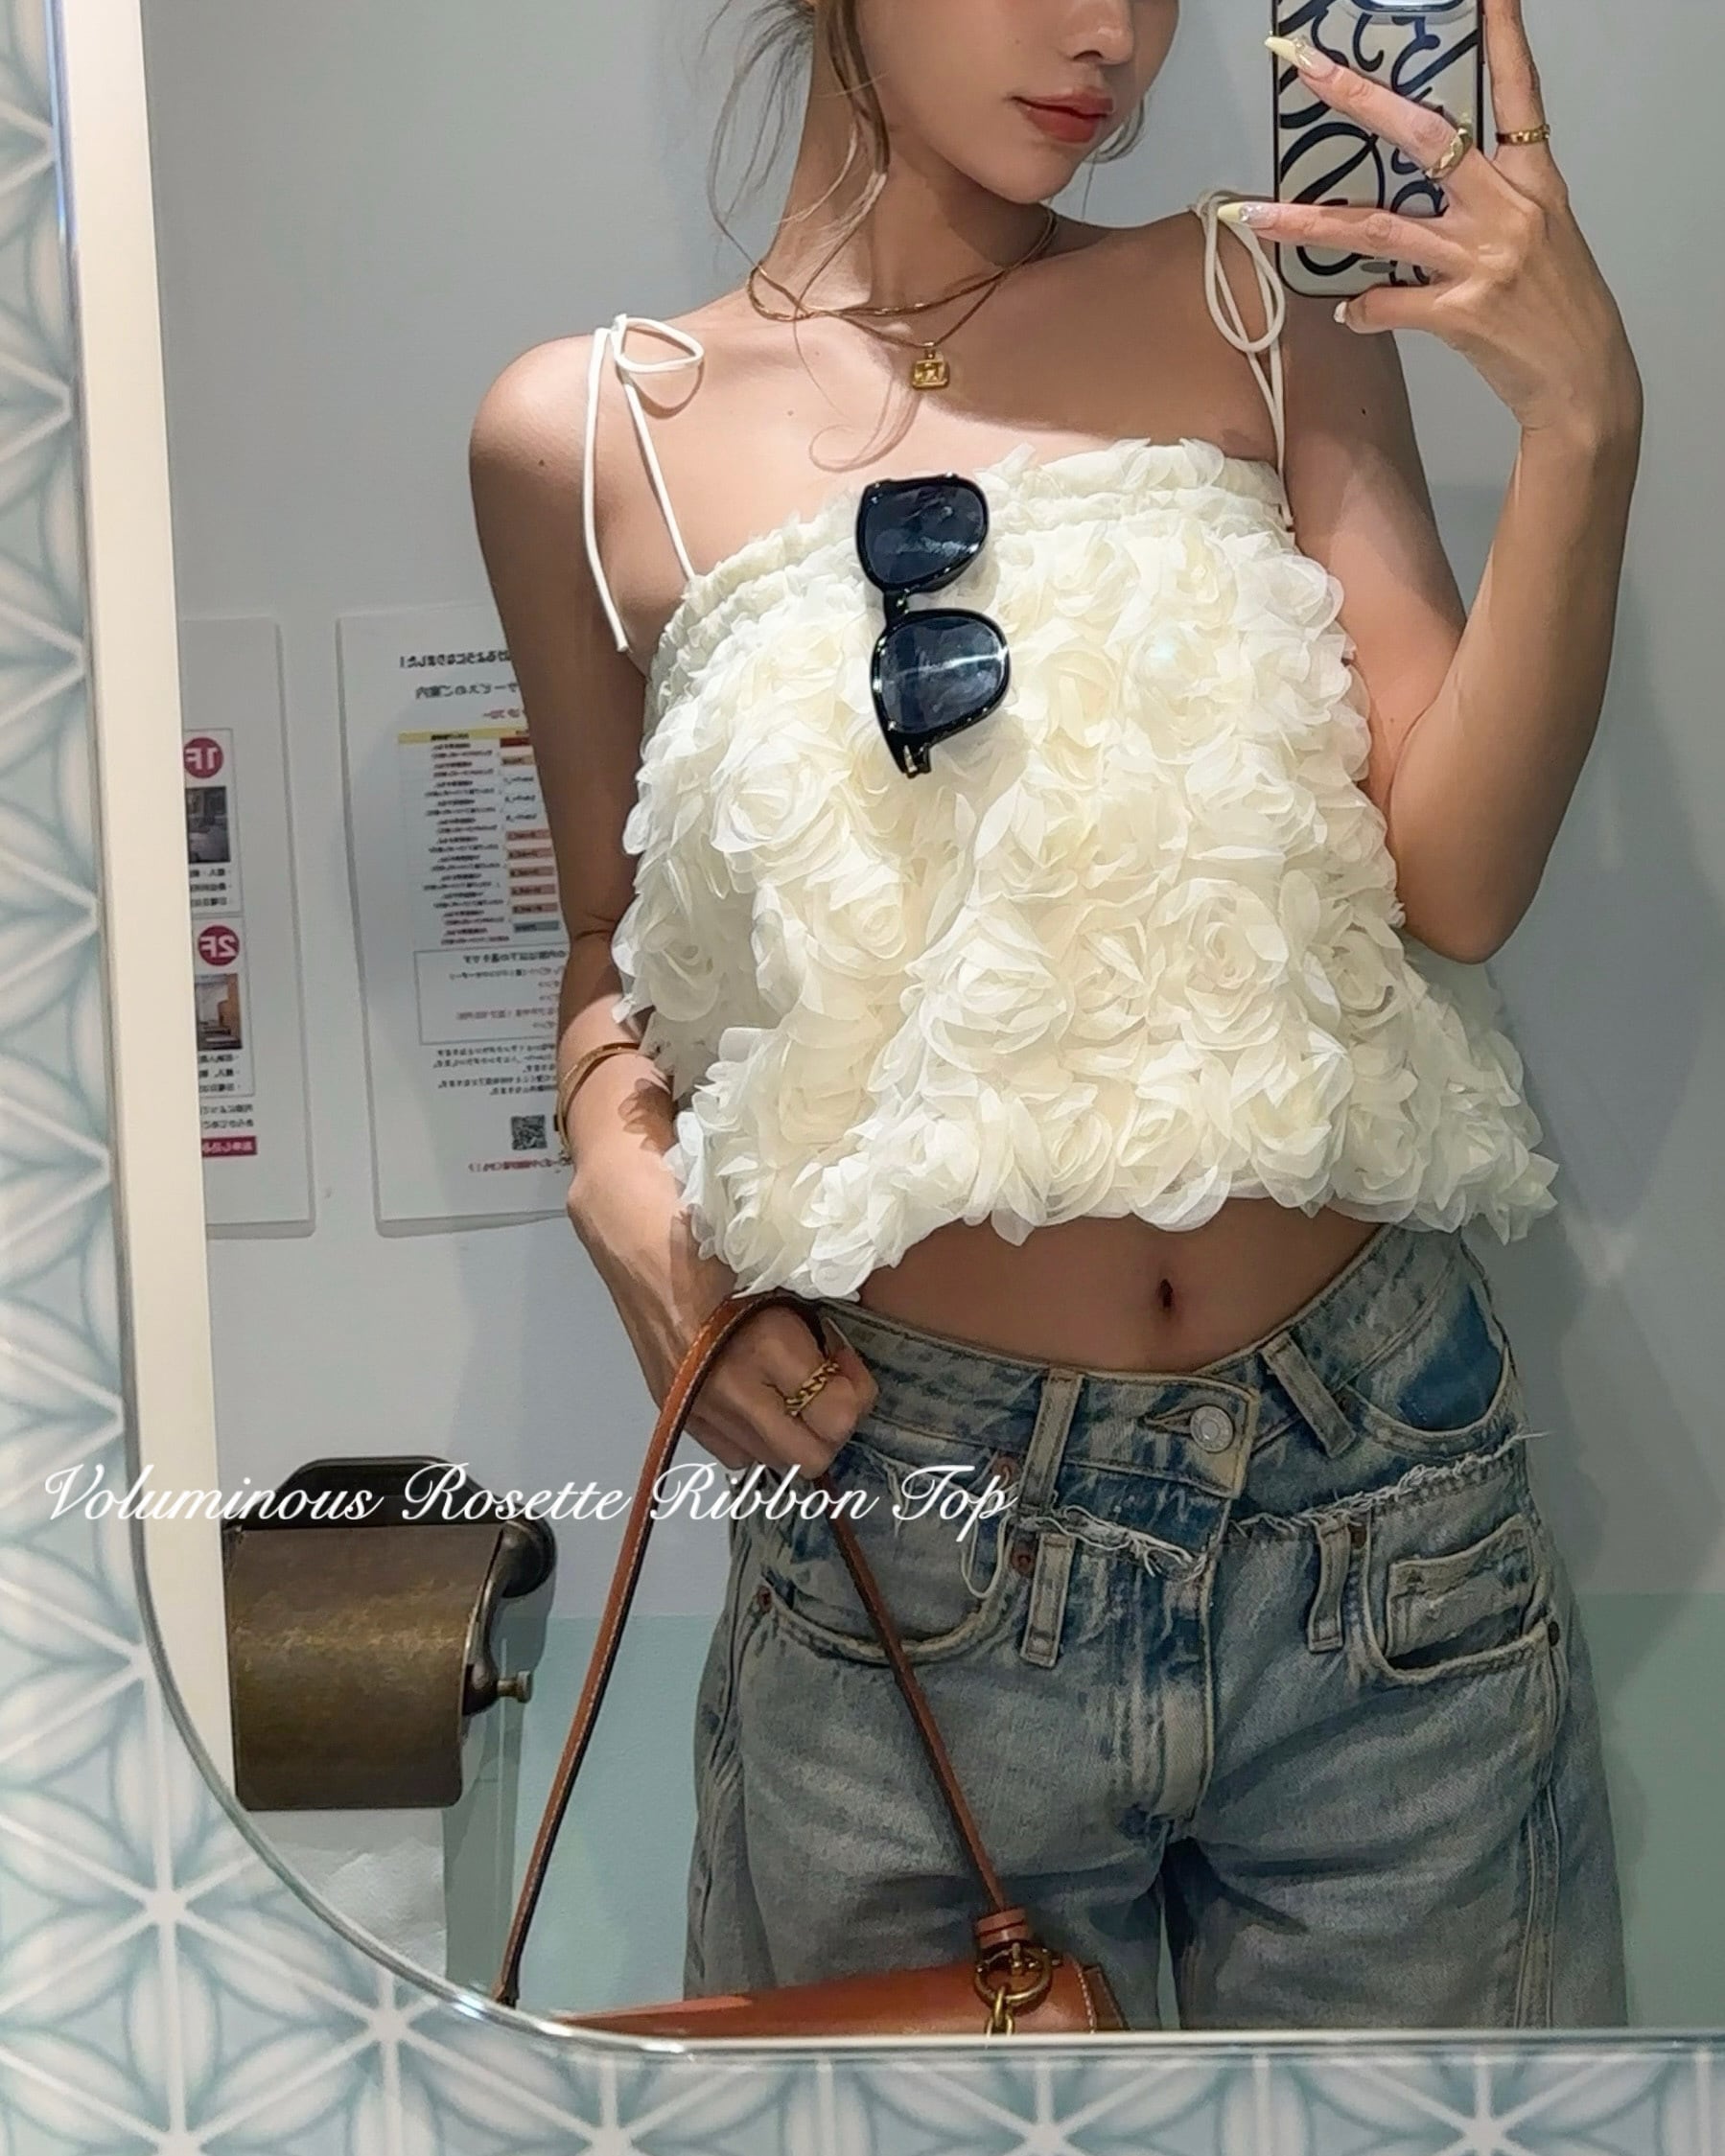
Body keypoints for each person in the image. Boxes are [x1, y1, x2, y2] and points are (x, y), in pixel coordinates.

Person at [469, 0, 1641, 2030]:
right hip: (908, 1533)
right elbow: (607, 934)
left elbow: (1456, 880)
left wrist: (1583, 429)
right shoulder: (589, 436)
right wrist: (611, 1165)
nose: (1112, 33)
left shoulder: (1260, 300)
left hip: (1377, 1509)